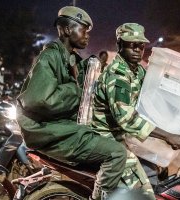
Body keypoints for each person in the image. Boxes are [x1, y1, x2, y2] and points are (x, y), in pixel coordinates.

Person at [16, 6, 127, 200]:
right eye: (83, 30)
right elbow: (40, 99)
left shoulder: (72, 59)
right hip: (48, 132)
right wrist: (77, 91)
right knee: (116, 153)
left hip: (61, 128)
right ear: (67, 30)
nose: (87, 36)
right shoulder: (50, 57)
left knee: (117, 139)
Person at [91, 23, 180, 199]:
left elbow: (154, 95)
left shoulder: (137, 70)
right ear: (120, 45)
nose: (137, 49)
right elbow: (127, 119)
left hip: (126, 135)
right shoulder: (117, 75)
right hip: (110, 138)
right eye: (131, 44)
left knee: (161, 167)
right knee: (144, 194)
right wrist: (167, 135)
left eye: (141, 45)